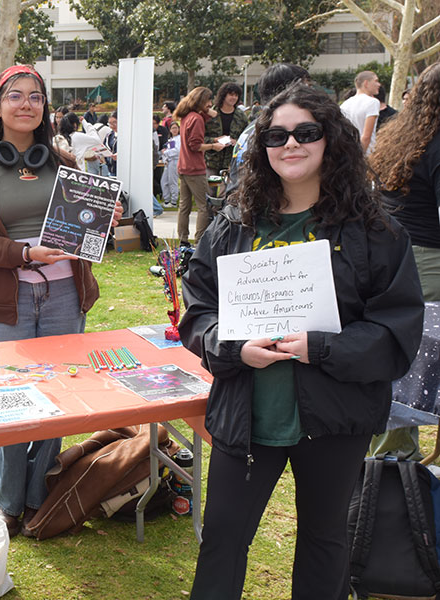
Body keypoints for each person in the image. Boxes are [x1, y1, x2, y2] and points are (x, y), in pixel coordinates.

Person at [180, 83, 423, 600]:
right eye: (276, 135)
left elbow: (395, 330)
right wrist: (230, 346)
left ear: (331, 139)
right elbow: (199, 309)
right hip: (247, 413)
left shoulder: (376, 231)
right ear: (261, 145)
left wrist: (322, 347)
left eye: (306, 133)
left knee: (324, 540)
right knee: (222, 539)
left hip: (334, 418)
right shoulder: (233, 222)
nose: (290, 145)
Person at [0, 64, 123, 539]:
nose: (26, 104)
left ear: (45, 107)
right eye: (15, 96)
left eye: (35, 96)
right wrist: (24, 253)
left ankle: (36, 496)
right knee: (9, 402)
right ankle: (9, 503)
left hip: (66, 295)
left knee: (58, 399)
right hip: (10, 300)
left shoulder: (66, 163)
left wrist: (101, 219)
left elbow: (86, 225)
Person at [369, 62, 440, 460]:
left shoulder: (405, 136)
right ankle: (394, 465)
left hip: (396, 258)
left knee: (403, 360)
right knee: (414, 367)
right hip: (428, 265)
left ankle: (391, 458)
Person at [226, 63, 311, 198]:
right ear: (288, 92)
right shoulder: (273, 131)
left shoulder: (255, 126)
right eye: (305, 87)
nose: (311, 95)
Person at [175, 86, 223, 246]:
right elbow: (195, 145)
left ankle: (183, 239)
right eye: (208, 100)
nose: (211, 104)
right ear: (201, 100)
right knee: (204, 207)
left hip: (183, 166)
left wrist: (211, 140)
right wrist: (212, 146)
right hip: (195, 169)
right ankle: (200, 241)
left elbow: (213, 115)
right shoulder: (196, 119)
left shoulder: (187, 116)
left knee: (184, 206)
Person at [204, 82, 248, 178]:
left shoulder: (241, 116)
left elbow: (247, 139)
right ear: (223, 95)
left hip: (232, 162)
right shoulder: (210, 114)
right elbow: (200, 138)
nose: (234, 98)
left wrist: (236, 142)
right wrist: (215, 140)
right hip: (211, 160)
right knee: (209, 191)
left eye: (236, 95)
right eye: (231, 94)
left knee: (228, 192)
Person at [340, 70, 381, 154]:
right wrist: (360, 158)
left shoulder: (345, 104)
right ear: (366, 83)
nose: (379, 84)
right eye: (376, 81)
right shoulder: (372, 102)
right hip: (366, 154)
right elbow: (366, 136)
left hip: (348, 153)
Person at [161, 121, 181, 207]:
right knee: (164, 181)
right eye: (173, 128)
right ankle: (167, 200)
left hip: (175, 161)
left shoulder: (179, 138)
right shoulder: (170, 139)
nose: (174, 130)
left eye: (176, 128)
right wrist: (165, 157)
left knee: (173, 181)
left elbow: (177, 151)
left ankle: (173, 201)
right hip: (168, 162)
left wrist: (166, 153)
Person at [104, 110, 118, 176]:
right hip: (111, 171)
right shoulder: (109, 135)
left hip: (123, 171)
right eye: (110, 123)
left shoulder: (127, 136)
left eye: (114, 122)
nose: (112, 126)